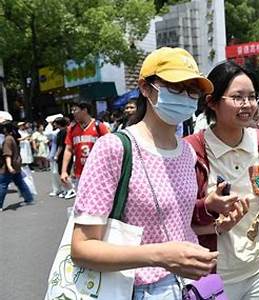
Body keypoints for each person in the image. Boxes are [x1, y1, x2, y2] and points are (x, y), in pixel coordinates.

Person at [71, 47, 237, 299]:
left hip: (191, 286)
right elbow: (82, 248)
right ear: (146, 88)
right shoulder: (114, 148)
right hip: (137, 289)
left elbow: (177, 226)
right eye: (175, 86)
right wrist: (160, 256)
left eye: (192, 90)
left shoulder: (186, 153)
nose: (185, 96)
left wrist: (217, 225)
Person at [185, 61, 259, 299]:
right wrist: (208, 207)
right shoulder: (192, 150)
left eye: (252, 97)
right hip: (213, 276)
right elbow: (180, 215)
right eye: (238, 97)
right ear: (212, 102)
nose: (248, 104)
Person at [60, 102, 110, 196]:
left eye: (75, 110)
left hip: (99, 173)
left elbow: (110, 146)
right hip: (80, 173)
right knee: (83, 203)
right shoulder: (72, 129)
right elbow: (68, 149)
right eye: (72, 110)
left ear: (84, 110)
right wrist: (64, 171)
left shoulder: (99, 126)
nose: (73, 112)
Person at [0, 122, 34, 211]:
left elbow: (7, 154)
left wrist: (9, 166)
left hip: (8, 166)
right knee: (20, 183)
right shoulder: (13, 138)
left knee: (3, 185)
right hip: (16, 164)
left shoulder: (7, 139)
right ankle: (29, 198)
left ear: (5, 129)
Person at [53, 117, 73, 198]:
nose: (54, 124)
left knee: (64, 172)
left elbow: (61, 146)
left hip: (63, 155)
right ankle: (66, 189)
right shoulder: (63, 131)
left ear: (59, 123)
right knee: (61, 172)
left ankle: (70, 189)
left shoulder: (63, 132)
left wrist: (56, 155)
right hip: (63, 154)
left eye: (55, 123)